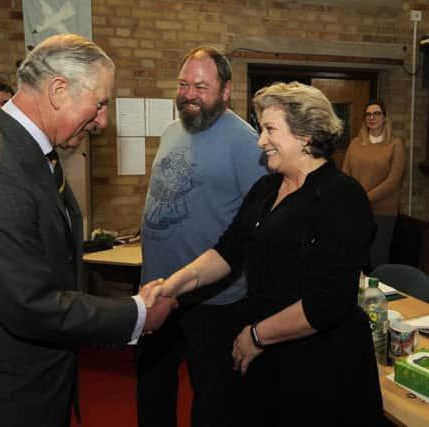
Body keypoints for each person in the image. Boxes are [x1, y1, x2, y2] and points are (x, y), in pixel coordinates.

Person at [0, 34, 176, 427]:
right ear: (58, 90)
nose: (103, 120)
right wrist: (136, 313)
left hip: (30, 386)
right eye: (100, 102)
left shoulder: (30, 154)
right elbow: (27, 303)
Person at [145, 82, 385, 425]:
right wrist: (173, 286)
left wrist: (257, 335)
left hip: (321, 367)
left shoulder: (343, 198)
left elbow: (328, 303)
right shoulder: (266, 187)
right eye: (260, 129)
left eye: (270, 129)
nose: (260, 141)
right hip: (268, 353)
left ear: (305, 135)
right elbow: (227, 252)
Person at [137, 46, 265, 427]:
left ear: (226, 91)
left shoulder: (248, 144)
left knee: (213, 400)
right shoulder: (172, 130)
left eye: (201, 86)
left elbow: (255, 227)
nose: (189, 94)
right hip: (157, 291)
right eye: (183, 84)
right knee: (151, 388)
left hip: (214, 300)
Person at [343, 99, 406, 269]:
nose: (372, 117)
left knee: (377, 258)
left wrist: (363, 198)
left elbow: (393, 181)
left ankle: (377, 296)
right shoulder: (356, 143)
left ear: (385, 118)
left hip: (382, 212)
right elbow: (345, 176)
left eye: (377, 113)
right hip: (357, 210)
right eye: (368, 114)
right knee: (355, 257)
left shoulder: (395, 145)